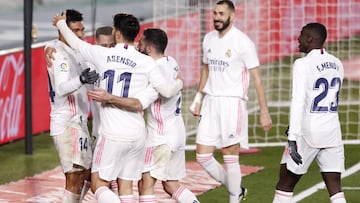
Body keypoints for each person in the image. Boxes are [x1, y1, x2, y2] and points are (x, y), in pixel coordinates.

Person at [52, 12, 183, 203]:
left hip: (112, 134)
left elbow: (76, 44)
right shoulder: (147, 62)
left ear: (116, 33)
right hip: (138, 136)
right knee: (126, 186)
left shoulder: (103, 54)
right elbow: (164, 91)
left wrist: (61, 24)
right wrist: (179, 83)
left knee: (98, 184)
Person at [189, 1, 272, 202]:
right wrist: (198, 98)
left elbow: (257, 79)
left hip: (232, 103)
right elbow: (206, 69)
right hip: (210, 102)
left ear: (232, 16)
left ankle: (234, 198)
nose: (216, 17)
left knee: (229, 154)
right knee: (202, 156)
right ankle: (236, 190)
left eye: (221, 14)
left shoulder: (243, 42)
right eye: (215, 13)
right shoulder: (208, 39)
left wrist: (264, 111)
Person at [272, 22, 346, 203]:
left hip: (308, 133)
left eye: (301, 35)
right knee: (335, 189)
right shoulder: (337, 63)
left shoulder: (302, 64)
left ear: (310, 39)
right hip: (332, 132)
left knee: (285, 184)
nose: (298, 39)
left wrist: (293, 136)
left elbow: (298, 101)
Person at [136, 28, 200, 203]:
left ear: (149, 48)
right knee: (171, 184)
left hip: (160, 137)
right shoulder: (171, 61)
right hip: (177, 132)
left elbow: (164, 91)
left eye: (140, 42)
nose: (137, 45)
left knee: (145, 184)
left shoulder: (154, 70)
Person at [46, 9, 99, 203]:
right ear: (64, 30)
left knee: (86, 174)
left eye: (82, 30)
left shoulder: (74, 50)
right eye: (76, 30)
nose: (80, 34)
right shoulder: (58, 54)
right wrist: (81, 79)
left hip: (79, 122)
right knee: (74, 176)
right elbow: (61, 88)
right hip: (67, 122)